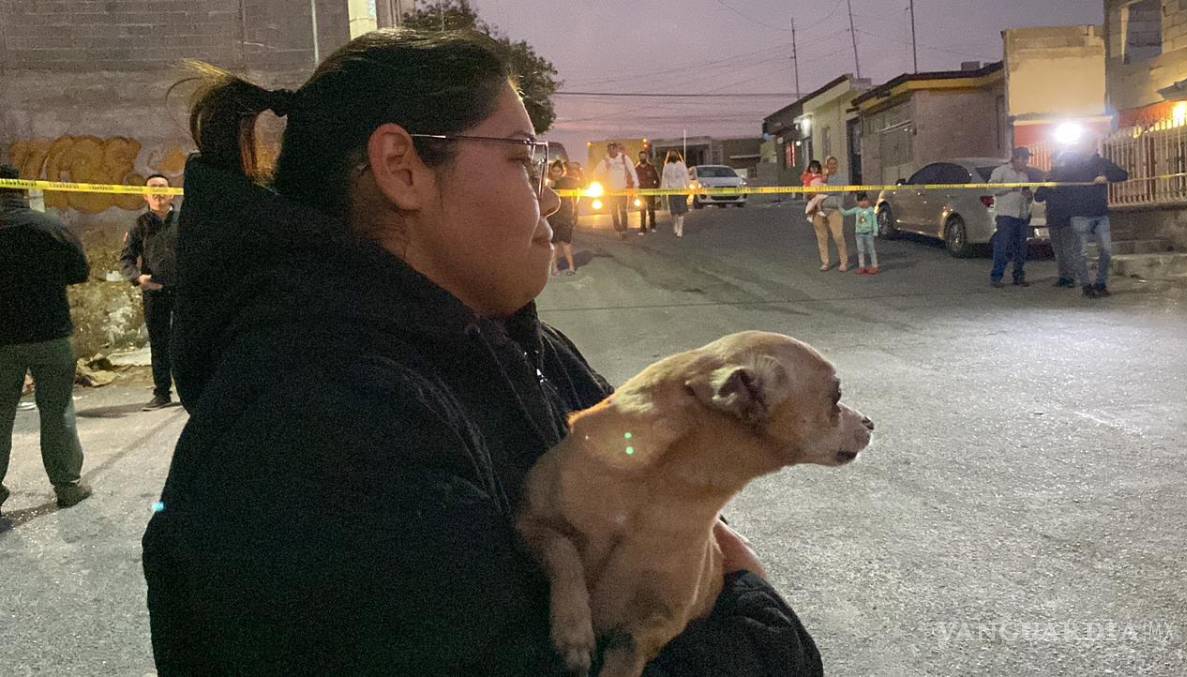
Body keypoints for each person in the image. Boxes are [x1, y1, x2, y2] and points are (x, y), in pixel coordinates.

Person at [141, 29, 822, 675]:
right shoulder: (318, 429)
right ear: (402, 169)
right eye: (524, 159)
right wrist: (752, 603)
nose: (551, 195)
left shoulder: (520, 347)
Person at [0, 163, 92, 515]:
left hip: (1, 342)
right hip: (51, 335)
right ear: (23, 191)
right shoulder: (51, 227)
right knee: (57, 410)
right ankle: (67, 486)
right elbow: (80, 272)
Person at [120, 174, 179, 409]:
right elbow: (126, 259)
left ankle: (191, 391)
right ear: (145, 195)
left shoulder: (185, 221)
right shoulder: (140, 225)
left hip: (183, 291)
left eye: (162, 187)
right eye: (152, 188)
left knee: (188, 341)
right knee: (159, 343)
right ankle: (162, 393)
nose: (157, 192)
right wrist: (137, 278)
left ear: (171, 193)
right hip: (155, 292)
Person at [1055, 140, 1128, 298]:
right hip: (1080, 215)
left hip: (1100, 214)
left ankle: (1100, 283)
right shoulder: (1072, 164)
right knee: (1081, 253)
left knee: (1106, 251)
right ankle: (1086, 286)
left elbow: (1123, 175)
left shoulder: (1102, 163)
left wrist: (1107, 176)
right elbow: (1059, 181)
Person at [988, 147, 1035, 288]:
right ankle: (996, 276)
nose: (1026, 162)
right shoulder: (1001, 171)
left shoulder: (1024, 175)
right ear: (1015, 158)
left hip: (1021, 215)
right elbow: (992, 188)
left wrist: (1028, 197)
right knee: (1002, 247)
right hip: (1006, 215)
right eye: (1024, 158)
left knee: (1020, 248)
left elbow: (1025, 194)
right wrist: (1010, 188)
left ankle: (1018, 276)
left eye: (1027, 159)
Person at [1034, 152, 1080, 289]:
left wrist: (1056, 188)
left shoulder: (1071, 177)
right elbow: (1038, 197)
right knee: (1058, 251)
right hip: (1053, 218)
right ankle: (1063, 277)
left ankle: (1071, 277)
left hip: (1067, 218)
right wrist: (1045, 184)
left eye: (1057, 161)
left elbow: (1073, 195)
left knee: (1068, 250)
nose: (1054, 164)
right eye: (1053, 161)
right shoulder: (1048, 179)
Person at [809, 156, 850, 272]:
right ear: (826, 165)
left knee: (838, 236)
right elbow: (810, 189)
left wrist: (820, 190)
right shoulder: (820, 177)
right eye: (829, 164)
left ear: (837, 165)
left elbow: (836, 190)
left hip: (834, 210)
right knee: (821, 237)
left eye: (834, 163)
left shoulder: (841, 178)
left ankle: (844, 262)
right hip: (818, 211)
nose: (832, 166)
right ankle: (825, 262)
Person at [595, 142, 638, 239]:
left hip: (622, 190)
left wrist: (636, 184)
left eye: (612, 149)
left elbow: (632, 170)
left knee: (623, 211)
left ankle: (624, 230)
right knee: (613, 211)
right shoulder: (606, 160)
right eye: (608, 150)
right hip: (611, 191)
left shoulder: (623, 158)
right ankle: (617, 228)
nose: (610, 152)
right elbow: (597, 172)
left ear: (616, 149)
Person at [547, 160, 577, 276]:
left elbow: (583, 183)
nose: (556, 173)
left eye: (558, 171)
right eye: (553, 171)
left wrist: (576, 169)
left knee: (566, 242)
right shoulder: (547, 183)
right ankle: (555, 268)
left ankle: (571, 267)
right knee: (553, 243)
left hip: (565, 216)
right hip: (552, 216)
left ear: (562, 171)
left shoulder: (569, 181)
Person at [842, 192, 880, 274]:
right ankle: (861, 266)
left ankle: (875, 266)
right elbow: (845, 213)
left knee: (871, 250)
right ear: (857, 202)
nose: (863, 203)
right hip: (858, 234)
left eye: (865, 200)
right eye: (860, 201)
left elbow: (874, 221)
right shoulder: (857, 209)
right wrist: (838, 207)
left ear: (868, 200)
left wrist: (875, 231)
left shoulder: (871, 210)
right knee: (860, 250)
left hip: (869, 233)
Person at [661, 150, 690, 238]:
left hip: (681, 191)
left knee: (681, 211)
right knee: (674, 212)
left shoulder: (681, 165)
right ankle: (675, 225)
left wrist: (688, 188)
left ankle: (680, 229)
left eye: (674, 154)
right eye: (671, 154)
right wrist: (663, 190)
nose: (673, 155)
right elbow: (664, 178)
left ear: (677, 155)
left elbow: (686, 176)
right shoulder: (666, 166)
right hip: (671, 191)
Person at [635, 150, 660, 234]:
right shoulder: (636, 169)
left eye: (644, 156)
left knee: (651, 210)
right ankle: (642, 228)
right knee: (642, 210)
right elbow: (634, 181)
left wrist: (655, 188)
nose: (642, 158)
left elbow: (657, 179)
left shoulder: (651, 167)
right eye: (641, 156)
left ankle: (653, 226)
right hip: (641, 192)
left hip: (650, 192)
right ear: (639, 157)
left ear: (646, 157)